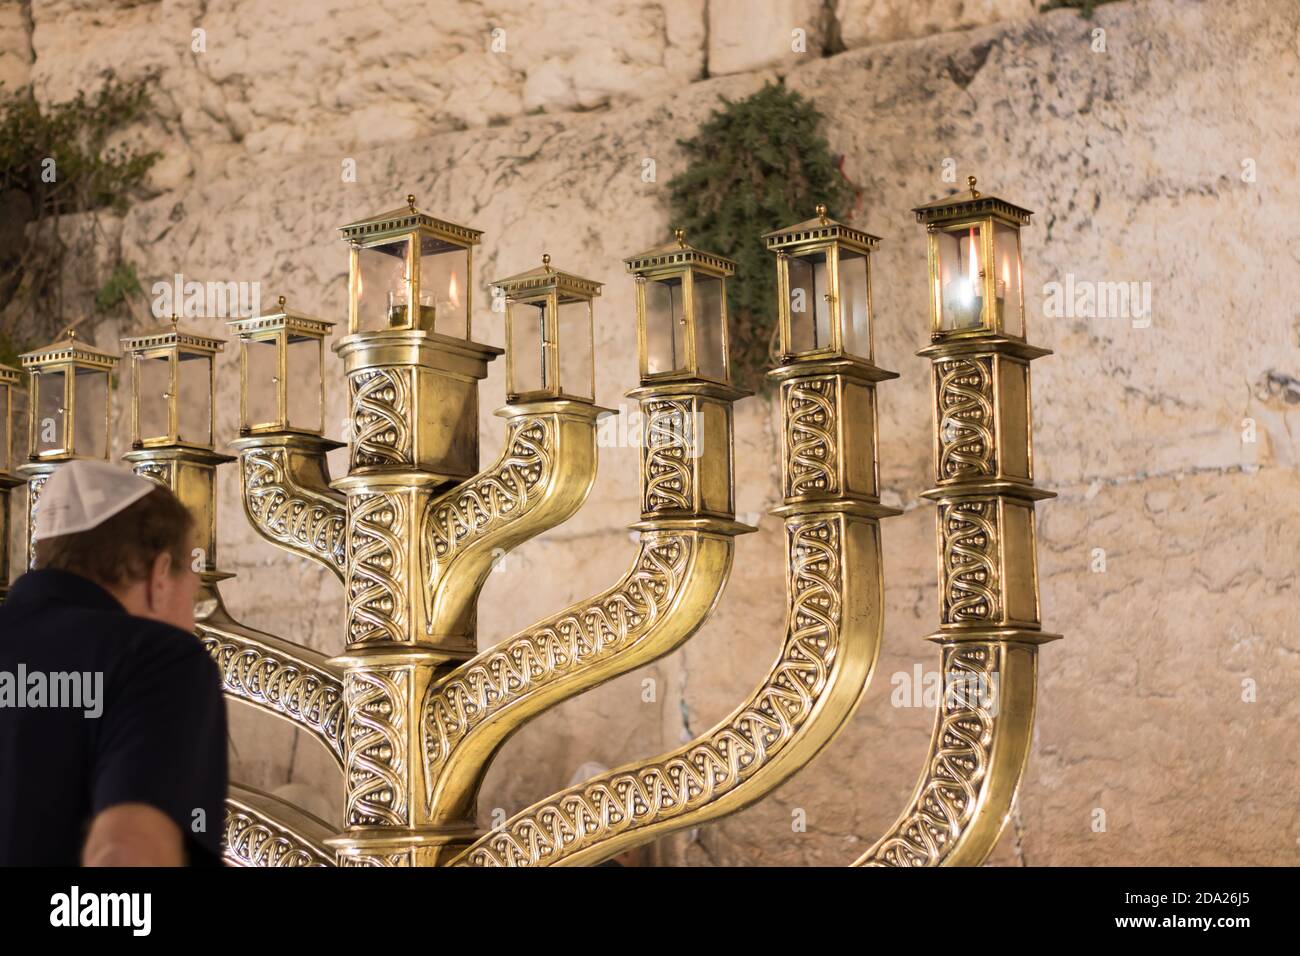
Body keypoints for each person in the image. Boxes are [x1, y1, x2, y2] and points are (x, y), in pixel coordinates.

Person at [0, 460, 228, 866]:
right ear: (160, 576)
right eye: (193, 596)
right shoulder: (157, 658)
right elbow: (126, 854)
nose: (192, 623)